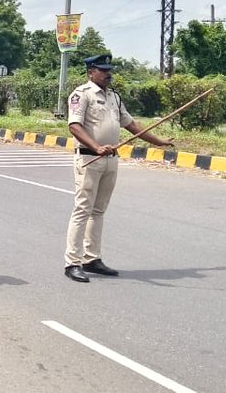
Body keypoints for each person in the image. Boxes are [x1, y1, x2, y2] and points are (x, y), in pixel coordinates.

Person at [64, 54, 174, 283]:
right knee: (83, 209)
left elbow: (131, 125)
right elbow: (74, 126)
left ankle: (91, 259)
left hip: (111, 159)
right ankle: (72, 262)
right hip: (88, 160)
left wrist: (158, 141)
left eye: (109, 70)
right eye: (103, 70)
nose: (108, 74)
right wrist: (95, 147)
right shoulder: (81, 94)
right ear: (91, 71)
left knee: (98, 211)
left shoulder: (114, 97)